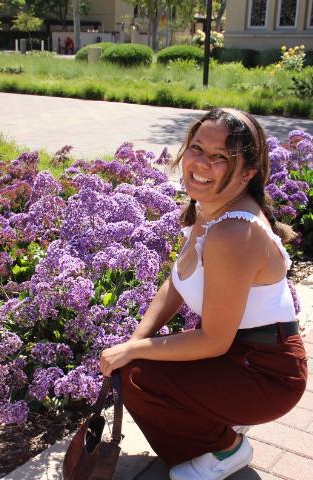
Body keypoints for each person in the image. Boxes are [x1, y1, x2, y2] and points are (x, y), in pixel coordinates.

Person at [99, 108, 308, 480]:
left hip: (265, 373)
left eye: (220, 157)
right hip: (240, 356)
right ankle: (221, 416)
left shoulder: (233, 234)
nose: (201, 163)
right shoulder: (208, 209)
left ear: (247, 173)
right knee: (132, 363)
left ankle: (227, 449)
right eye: (197, 148)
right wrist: (134, 340)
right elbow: (176, 284)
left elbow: (213, 340)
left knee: (137, 378)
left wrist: (131, 353)